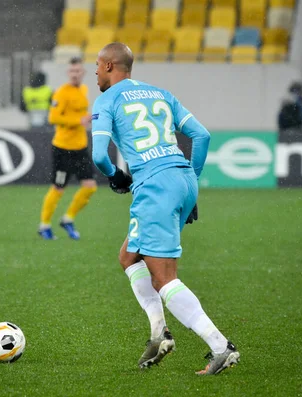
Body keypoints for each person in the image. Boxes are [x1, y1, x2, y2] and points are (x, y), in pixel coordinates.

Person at [90, 43, 239, 375]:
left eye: (98, 66)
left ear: (111, 66)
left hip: (155, 186)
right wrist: (191, 183)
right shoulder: (160, 93)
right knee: (129, 256)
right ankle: (159, 333)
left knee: (164, 278)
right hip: (182, 179)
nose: (95, 72)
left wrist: (116, 177)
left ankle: (220, 346)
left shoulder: (107, 100)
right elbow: (201, 136)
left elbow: (100, 156)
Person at [38, 57, 97, 240]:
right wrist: (77, 121)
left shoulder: (84, 90)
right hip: (63, 149)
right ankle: (44, 225)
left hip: (80, 148)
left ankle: (68, 219)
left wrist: (88, 118)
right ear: (67, 73)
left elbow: (79, 114)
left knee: (90, 187)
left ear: (83, 73)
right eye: (72, 71)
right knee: (58, 188)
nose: (74, 74)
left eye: (78, 71)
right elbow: (53, 118)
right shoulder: (61, 93)